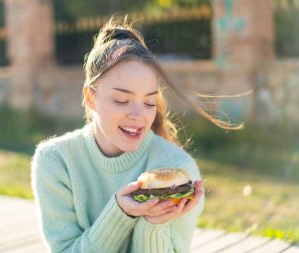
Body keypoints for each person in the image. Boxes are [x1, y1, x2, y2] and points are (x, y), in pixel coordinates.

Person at [31, 16, 240, 253]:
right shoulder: (56, 161)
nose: (138, 115)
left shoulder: (179, 170)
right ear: (91, 98)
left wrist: (153, 223)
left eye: (149, 103)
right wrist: (120, 212)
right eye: (122, 100)